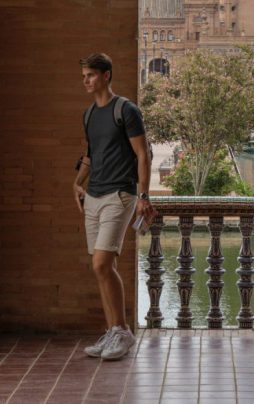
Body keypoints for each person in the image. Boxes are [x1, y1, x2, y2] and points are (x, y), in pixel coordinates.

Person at [73, 53, 155, 360]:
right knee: (103, 268)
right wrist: (77, 182)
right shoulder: (89, 114)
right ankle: (112, 331)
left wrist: (144, 196)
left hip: (120, 195)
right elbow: (91, 155)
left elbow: (143, 154)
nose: (86, 81)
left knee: (101, 264)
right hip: (93, 196)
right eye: (84, 76)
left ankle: (122, 332)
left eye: (91, 75)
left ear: (106, 75)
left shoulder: (126, 110)